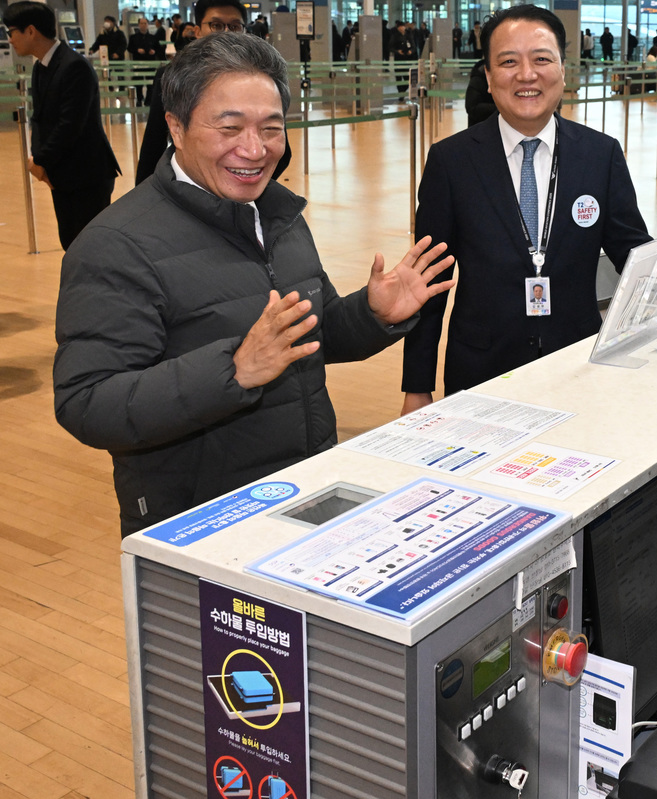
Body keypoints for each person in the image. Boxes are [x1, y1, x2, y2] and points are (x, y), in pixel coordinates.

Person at [53, 32, 455, 536]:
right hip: (199, 518)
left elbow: (308, 337)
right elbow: (87, 403)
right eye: (229, 127)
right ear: (176, 128)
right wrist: (235, 370)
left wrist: (372, 314)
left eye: (271, 128)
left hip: (304, 489)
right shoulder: (117, 245)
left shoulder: (277, 215)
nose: (254, 149)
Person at [401, 5, 657, 409]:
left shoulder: (600, 155)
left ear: (563, 70)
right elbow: (429, 282)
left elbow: (631, 251)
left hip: (578, 361)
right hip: (481, 369)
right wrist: (417, 386)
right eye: (508, 62)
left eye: (541, 59)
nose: (526, 75)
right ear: (488, 76)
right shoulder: (452, 162)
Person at [137, 0, 292, 184]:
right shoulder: (172, 75)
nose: (226, 33)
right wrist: (147, 192)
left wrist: (245, 179)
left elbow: (280, 147)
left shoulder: (259, 78)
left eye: (234, 26)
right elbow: (154, 142)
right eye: (216, 25)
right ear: (198, 31)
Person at [4, 1, 121, 250]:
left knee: (90, 248)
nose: (10, 40)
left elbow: (70, 125)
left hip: (87, 175)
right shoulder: (40, 67)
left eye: (11, 32)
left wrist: (41, 160)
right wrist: (39, 159)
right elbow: (39, 118)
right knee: (70, 243)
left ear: (31, 31)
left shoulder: (74, 66)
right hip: (62, 173)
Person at [127, 16, 162, 106]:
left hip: (150, 62)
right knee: (138, 82)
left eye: (145, 23)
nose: (143, 25)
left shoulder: (153, 37)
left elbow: (158, 48)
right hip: (138, 62)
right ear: (139, 25)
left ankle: (148, 99)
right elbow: (129, 48)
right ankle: (139, 98)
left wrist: (154, 51)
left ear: (148, 25)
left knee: (150, 82)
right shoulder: (133, 37)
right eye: (141, 23)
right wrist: (137, 50)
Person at [391, 21, 417, 98]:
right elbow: (390, 47)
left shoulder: (409, 35)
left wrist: (411, 51)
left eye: (403, 26)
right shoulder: (395, 36)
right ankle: (401, 94)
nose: (402, 28)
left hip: (407, 59)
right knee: (398, 78)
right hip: (398, 59)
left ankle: (402, 92)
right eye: (400, 27)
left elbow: (414, 46)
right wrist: (397, 51)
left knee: (407, 78)